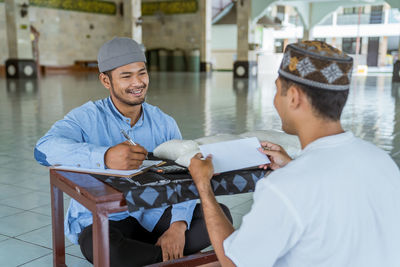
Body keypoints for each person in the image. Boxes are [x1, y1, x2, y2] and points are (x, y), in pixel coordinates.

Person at [189, 41, 400, 267]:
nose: (274, 100)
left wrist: (204, 186)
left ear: (293, 97)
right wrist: (292, 165)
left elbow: (233, 263)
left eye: (277, 89)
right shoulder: (383, 162)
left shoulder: (285, 186)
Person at [34, 37, 231, 267]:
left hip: (154, 214)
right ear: (105, 80)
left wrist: (178, 225)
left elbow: (184, 174)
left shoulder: (164, 123)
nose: (138, 83)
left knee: (220, 215)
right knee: (104, 246)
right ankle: (167, 259)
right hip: (107, 221)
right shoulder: (87, 117)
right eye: (126, 76)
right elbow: (43, 149)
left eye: (142, 73)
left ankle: (147, 257)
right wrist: (104, 156)